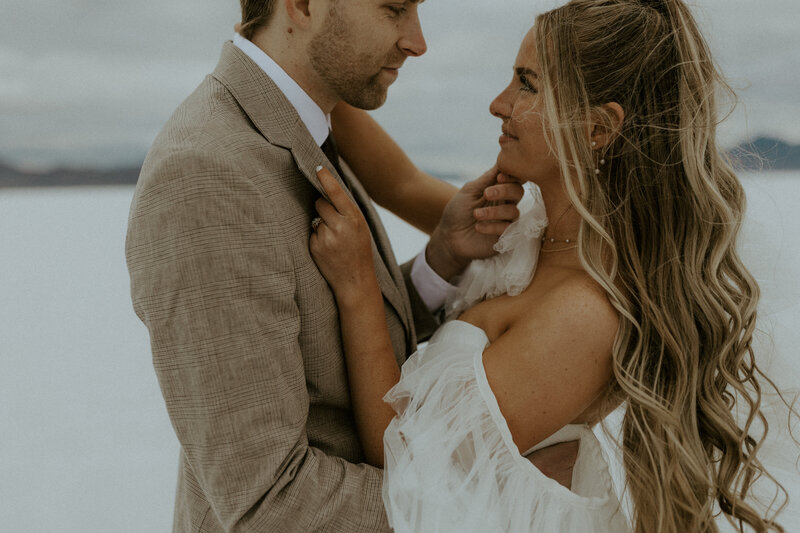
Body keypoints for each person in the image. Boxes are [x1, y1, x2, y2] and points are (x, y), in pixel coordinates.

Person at [310, 0, 797, 531]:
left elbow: (396, 448)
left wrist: (358, 282)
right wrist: (306, 58)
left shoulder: (584, 316)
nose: (498, 103)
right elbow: (399, 183)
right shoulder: (530, 232)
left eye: (527, 84)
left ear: (597, 129)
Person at [125, 1, 530, 531]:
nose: (417, 41)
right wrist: (500, 503)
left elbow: (316, 346)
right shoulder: (206, 175)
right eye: (394, 9)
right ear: (303, 5)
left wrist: (442, 260)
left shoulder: (301, 123)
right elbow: (268, 502)